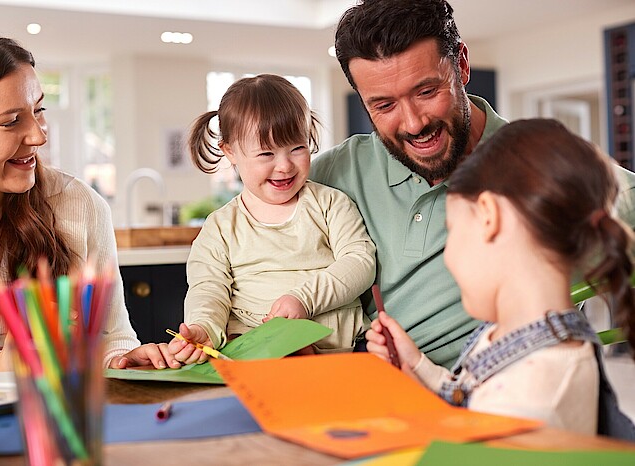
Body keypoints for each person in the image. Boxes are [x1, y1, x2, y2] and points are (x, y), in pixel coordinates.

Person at [309, 0, 635, 367]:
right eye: (384, 106)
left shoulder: (541, 168)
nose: (414, 123)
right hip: (345, 388)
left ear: (461, 65)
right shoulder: (334, 174)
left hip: (479, 402)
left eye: (427, 91)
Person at [367, 119, 635, 434]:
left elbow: (472, 433)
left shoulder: (527, 395)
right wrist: (416, 366)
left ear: (489, 217)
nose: (448, 257)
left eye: (452, 231)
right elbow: (467, 397)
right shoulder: (518, 335)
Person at [0, 30, 167, 375]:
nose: (39, 135)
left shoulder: (79, 204)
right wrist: (1, 366)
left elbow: (114, 335)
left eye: (38, 110)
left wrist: (121, 359)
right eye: (11, 121)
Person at [163, 74, 376, 367]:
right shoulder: (220, 228)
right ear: (231, 152)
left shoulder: (330, 204)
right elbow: (208, 288)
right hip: (256, 354)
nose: (285, 165)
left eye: (297, 148)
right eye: (266, 153)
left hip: (341, 351)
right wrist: (204, 327)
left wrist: (305, 299)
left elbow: (360, 261)